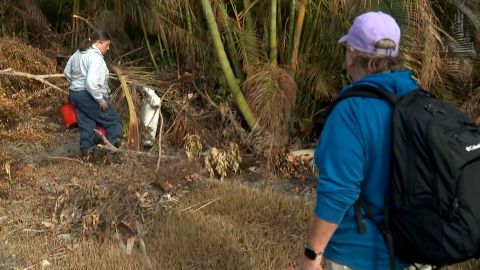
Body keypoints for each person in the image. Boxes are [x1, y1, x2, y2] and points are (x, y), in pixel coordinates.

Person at [299, 12, 420, 270]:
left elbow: (339, 191)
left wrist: (312, 255)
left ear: (352, 53)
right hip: (412, 251)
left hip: (357, 256)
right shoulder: (417, 98)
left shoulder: (351, 111)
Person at [64, 30, 122, 156]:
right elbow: (91, 84)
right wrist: (100, 100)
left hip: (75, 94)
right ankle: (108, 154)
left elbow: (66, 72)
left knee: (87, 124)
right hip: (89, 96)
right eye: (106, 45)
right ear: (98, 43)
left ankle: (87, 153)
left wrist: (76, 85)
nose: (108, 48)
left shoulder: (78, 53)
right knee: (114, 123)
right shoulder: (96, 58)